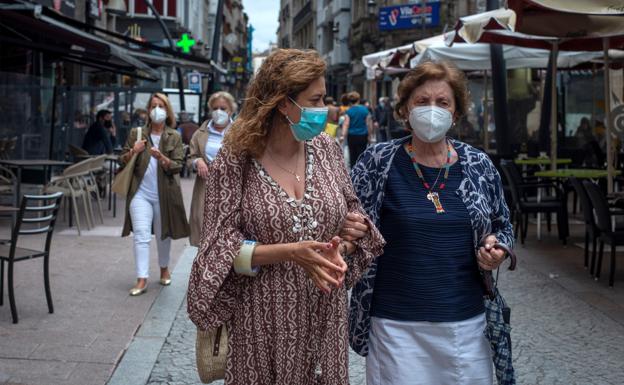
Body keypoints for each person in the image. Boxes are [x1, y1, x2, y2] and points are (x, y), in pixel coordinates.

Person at [187, 48, 385, 384]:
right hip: (261, 316)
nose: (324, 110)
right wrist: (290, 253)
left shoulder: (327, 149)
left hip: (325, 312)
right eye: (316, 99)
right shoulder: (236, 160)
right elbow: (216, 250)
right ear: (283, 103)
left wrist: (348, 238)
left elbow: (353, 213)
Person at [347, 61, 516, 385]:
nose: (432, 110)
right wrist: (349, 233)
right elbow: (348, 222)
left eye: (442, 102)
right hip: (394, 325)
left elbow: (503, 224)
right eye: (422, 102)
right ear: (405, 108)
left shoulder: (477, 163)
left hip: (465, 325)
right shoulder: (378, 161)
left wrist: (499, 249)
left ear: (456, 112)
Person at [119, 93, 190, 296]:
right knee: (141, 236)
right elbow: (122, 159)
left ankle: (164, 268)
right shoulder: (137, 133)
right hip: (139, 193)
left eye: (161, 106)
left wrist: (162, 159)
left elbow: (178, 166)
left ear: (167, 111)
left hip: (165, 194)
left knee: (162, 234)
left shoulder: (173, 136)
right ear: (148, 111)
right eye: (153, 106)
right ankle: (142, 279)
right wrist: (134, 150)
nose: (157, 109)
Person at [188, 91, 237, 246]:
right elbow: (190, 157)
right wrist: (198, 161)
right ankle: (205, 267)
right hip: (205, 187)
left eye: (223, 108)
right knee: (204, 231)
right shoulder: (200, 133)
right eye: (215, 108)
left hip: (230, 189)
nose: (219, 112)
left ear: (231, 110)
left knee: (228, 233)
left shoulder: (240, 132)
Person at [341, 91, 373, 167]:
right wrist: (370, 136)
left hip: (351, 136)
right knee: (362, 155)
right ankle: (361, 170)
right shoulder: (365, 110)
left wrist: (343, 135)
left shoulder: (349, 111)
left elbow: (346, 124)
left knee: (352, 155)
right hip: (363, 136)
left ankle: (353, 172)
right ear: (358, 100)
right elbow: (368, 124)